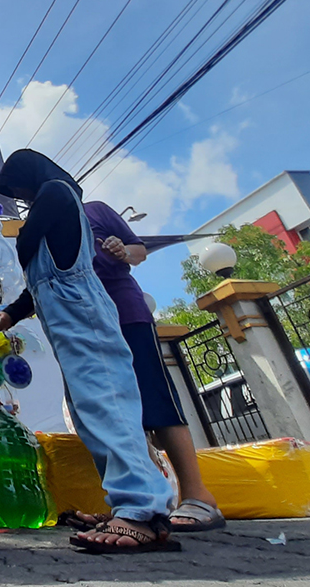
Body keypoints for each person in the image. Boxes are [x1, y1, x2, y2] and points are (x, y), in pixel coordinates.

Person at [0, 149, 179, 554]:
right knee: (92, 412)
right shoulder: (49, 214)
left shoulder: (56, 194)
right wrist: (12, 312)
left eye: (19, 187)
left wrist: (16, 231)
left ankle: (141, 511)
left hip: (85, 319)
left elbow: (23, 245)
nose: (20, 197)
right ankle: (130, 506)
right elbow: (35, 280)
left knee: (108, 405)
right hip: (69, 327)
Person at [76, 201, 222, 532]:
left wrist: (122, 250)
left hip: (126, 315)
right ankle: (139, 503)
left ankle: (198, 494)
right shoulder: (45, 224)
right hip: (88, 326)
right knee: (115, 415)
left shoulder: (94, 210)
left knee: (155, 400)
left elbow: (139, 250)